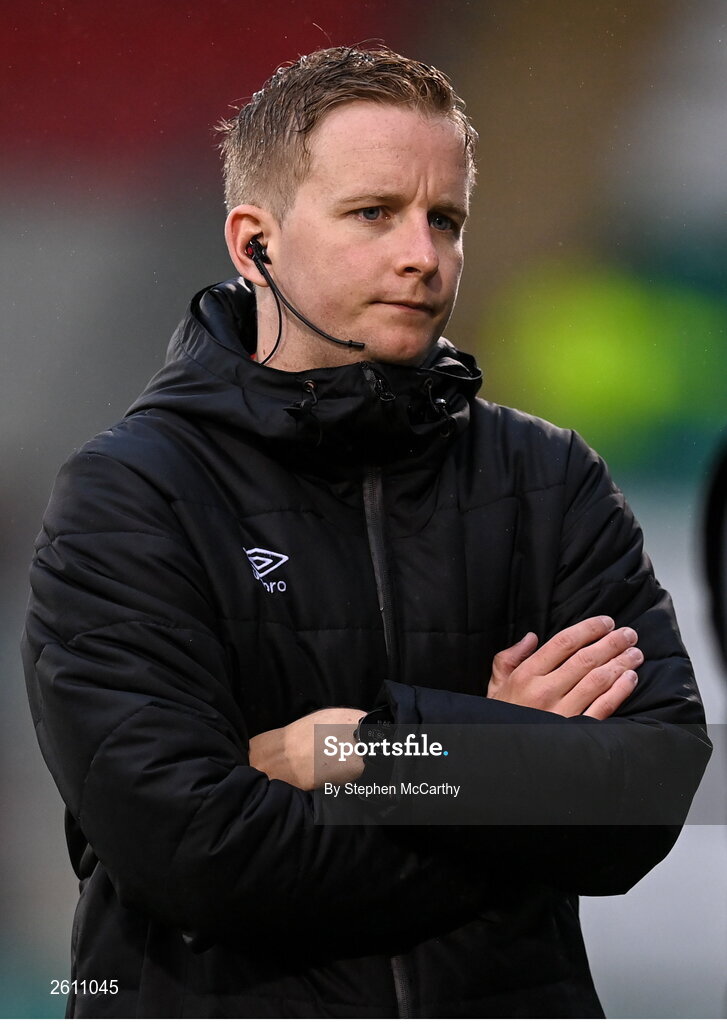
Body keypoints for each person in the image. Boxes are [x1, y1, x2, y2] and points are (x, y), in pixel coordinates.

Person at [23, 45, 710, 1019]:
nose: (422, 255)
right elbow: (199, 857)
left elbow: (648, 789)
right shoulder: (131, 495)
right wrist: (502, 765)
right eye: (373, 214)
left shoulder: (547, 478)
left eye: (446, 219)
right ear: (253, 242)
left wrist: (359, 752)